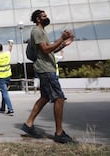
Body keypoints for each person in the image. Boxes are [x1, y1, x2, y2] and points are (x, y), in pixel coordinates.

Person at [21, 9, 74, 144]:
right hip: (46, 70)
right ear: (38, 19)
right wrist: (61, 38)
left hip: (47, 68)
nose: (46, 17)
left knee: (45, 97)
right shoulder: (37, 31)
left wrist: (63, 44)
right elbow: (45, 49)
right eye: (44, 16)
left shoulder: (43, 32)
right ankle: (59, 133)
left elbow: (50, 50)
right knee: (59, 98)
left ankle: (28, 124)